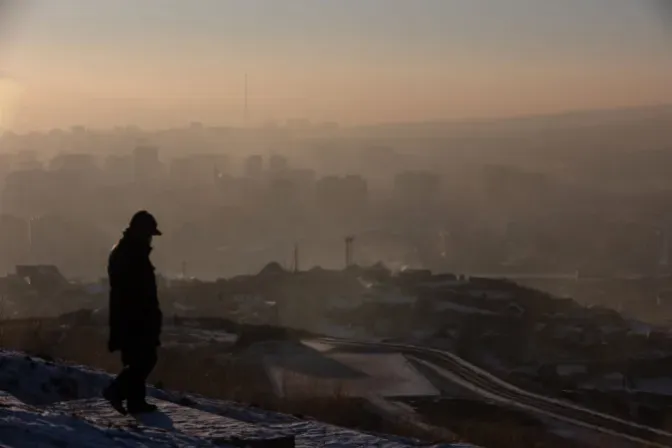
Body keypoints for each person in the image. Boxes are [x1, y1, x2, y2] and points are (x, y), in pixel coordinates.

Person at [103, 210, 163, 415]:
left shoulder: (125, 251)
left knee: (136, 359)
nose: (150, 239)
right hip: (135, 318)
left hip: (129, 317)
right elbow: (136, 292)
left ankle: (136, 402)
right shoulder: (132, 254)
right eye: (148, 234)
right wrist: (148, 317)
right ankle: (116, 390)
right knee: (144, 359)